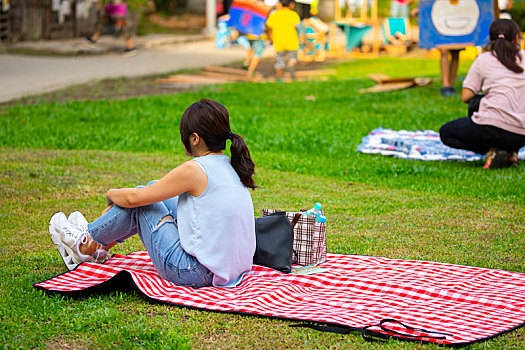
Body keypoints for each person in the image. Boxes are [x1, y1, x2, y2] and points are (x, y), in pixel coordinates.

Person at [49, 99, 257, 288]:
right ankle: (98, 245)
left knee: (141, 201)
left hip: (195, 272)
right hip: (230, 270)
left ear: (194, 139)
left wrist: (111, 193)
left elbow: (134, 199)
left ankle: (84, 244)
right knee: (154, 187)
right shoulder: (231, 166)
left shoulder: (196, 169)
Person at [439, 19, 525, 169]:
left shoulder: (484, 60)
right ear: (516, 38)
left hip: (491, 128)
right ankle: (511, 152)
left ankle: (494, 149)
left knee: (447, 132)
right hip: (522, 133)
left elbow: (466, 96)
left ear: (490, 38)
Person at [266, 0, 301, 81]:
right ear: (291, 5)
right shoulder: (293, 14)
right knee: (292, 58)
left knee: (279, 60)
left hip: (278, 40)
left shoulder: (275, 15)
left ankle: (279, 78)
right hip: (291, 40)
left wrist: (269, 37)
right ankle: (290, 68)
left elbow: (269, 27)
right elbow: (296, 26)